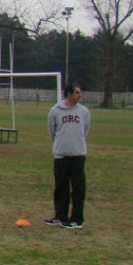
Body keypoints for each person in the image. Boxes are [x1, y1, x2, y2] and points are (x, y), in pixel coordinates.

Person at [44, 83, 90, 229]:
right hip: (61, 156)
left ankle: (76, 219)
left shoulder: (84, 112)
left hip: (77, 155)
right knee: (61, 187)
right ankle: (60, 216)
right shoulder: (55, 111)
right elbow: (52, 130)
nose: (79, 95)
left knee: (78, 188)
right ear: (69, 94)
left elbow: (85, 129)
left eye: (80, 92)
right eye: (77, 92)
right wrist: (60, 145)